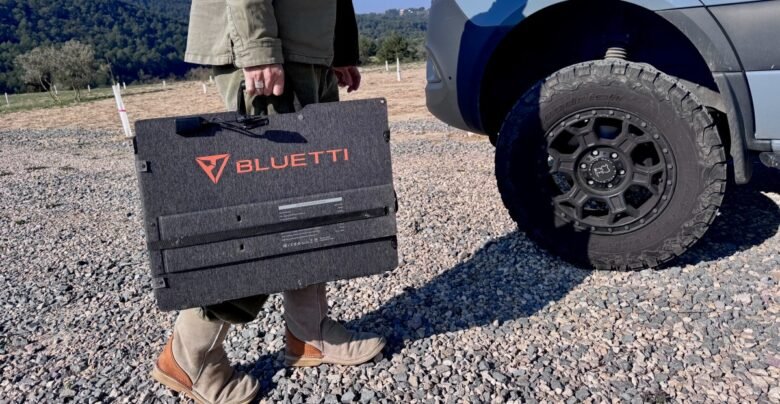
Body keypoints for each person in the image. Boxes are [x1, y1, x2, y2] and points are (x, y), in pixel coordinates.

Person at [150, 1, 385, 403]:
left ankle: (308, 331)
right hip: (269, 43)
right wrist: (257, 46)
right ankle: (191, 354)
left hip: (309, 46)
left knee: (314, 202)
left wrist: (339, 47)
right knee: (262, 210)